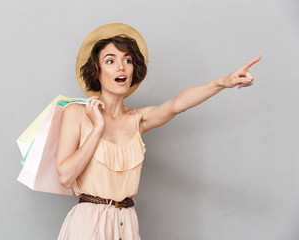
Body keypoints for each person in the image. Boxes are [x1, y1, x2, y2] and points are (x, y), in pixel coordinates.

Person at [55, 23, 261, 240]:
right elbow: (65, 176)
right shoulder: (76, 113)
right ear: (96, 72)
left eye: (127, 60)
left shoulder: (139, 119)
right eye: (110, 61)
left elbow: (177, 104)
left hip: (127, 223)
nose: (121, 67)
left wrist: (224, 82)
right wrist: (97, 128)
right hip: (88, 224)